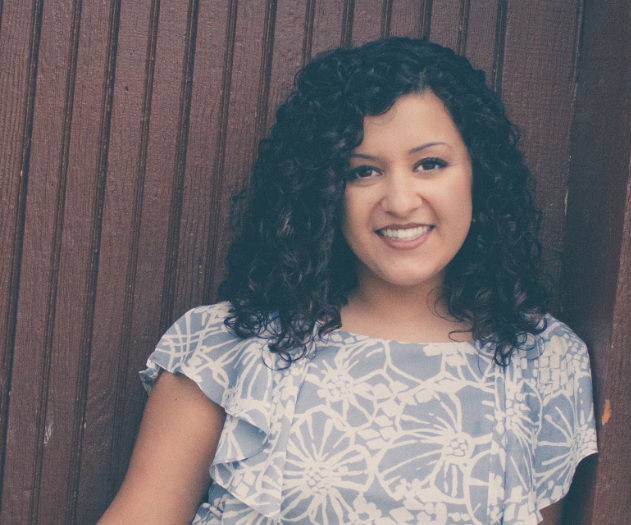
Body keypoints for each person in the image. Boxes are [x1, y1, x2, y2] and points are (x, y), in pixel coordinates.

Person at [100, 37, 597, 524]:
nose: (400, 201)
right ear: (324, 191)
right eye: (363, 172)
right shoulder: (226, 347)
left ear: (478, 175)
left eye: (429, 164)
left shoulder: (544, 362)